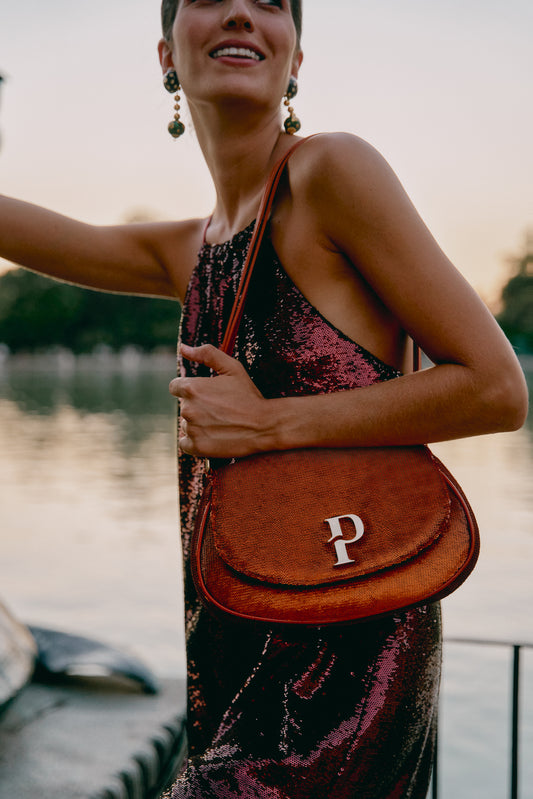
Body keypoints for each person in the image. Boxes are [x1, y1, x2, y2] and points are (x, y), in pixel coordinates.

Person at [0, 0, 528, 796]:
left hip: (342, 655)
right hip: (233, 632)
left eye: (272, 2)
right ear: (165, 54)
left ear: (295, 58)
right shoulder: (195, 243)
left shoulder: (331, 171)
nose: (242, 11)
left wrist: (269, 422)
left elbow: (494, 388)